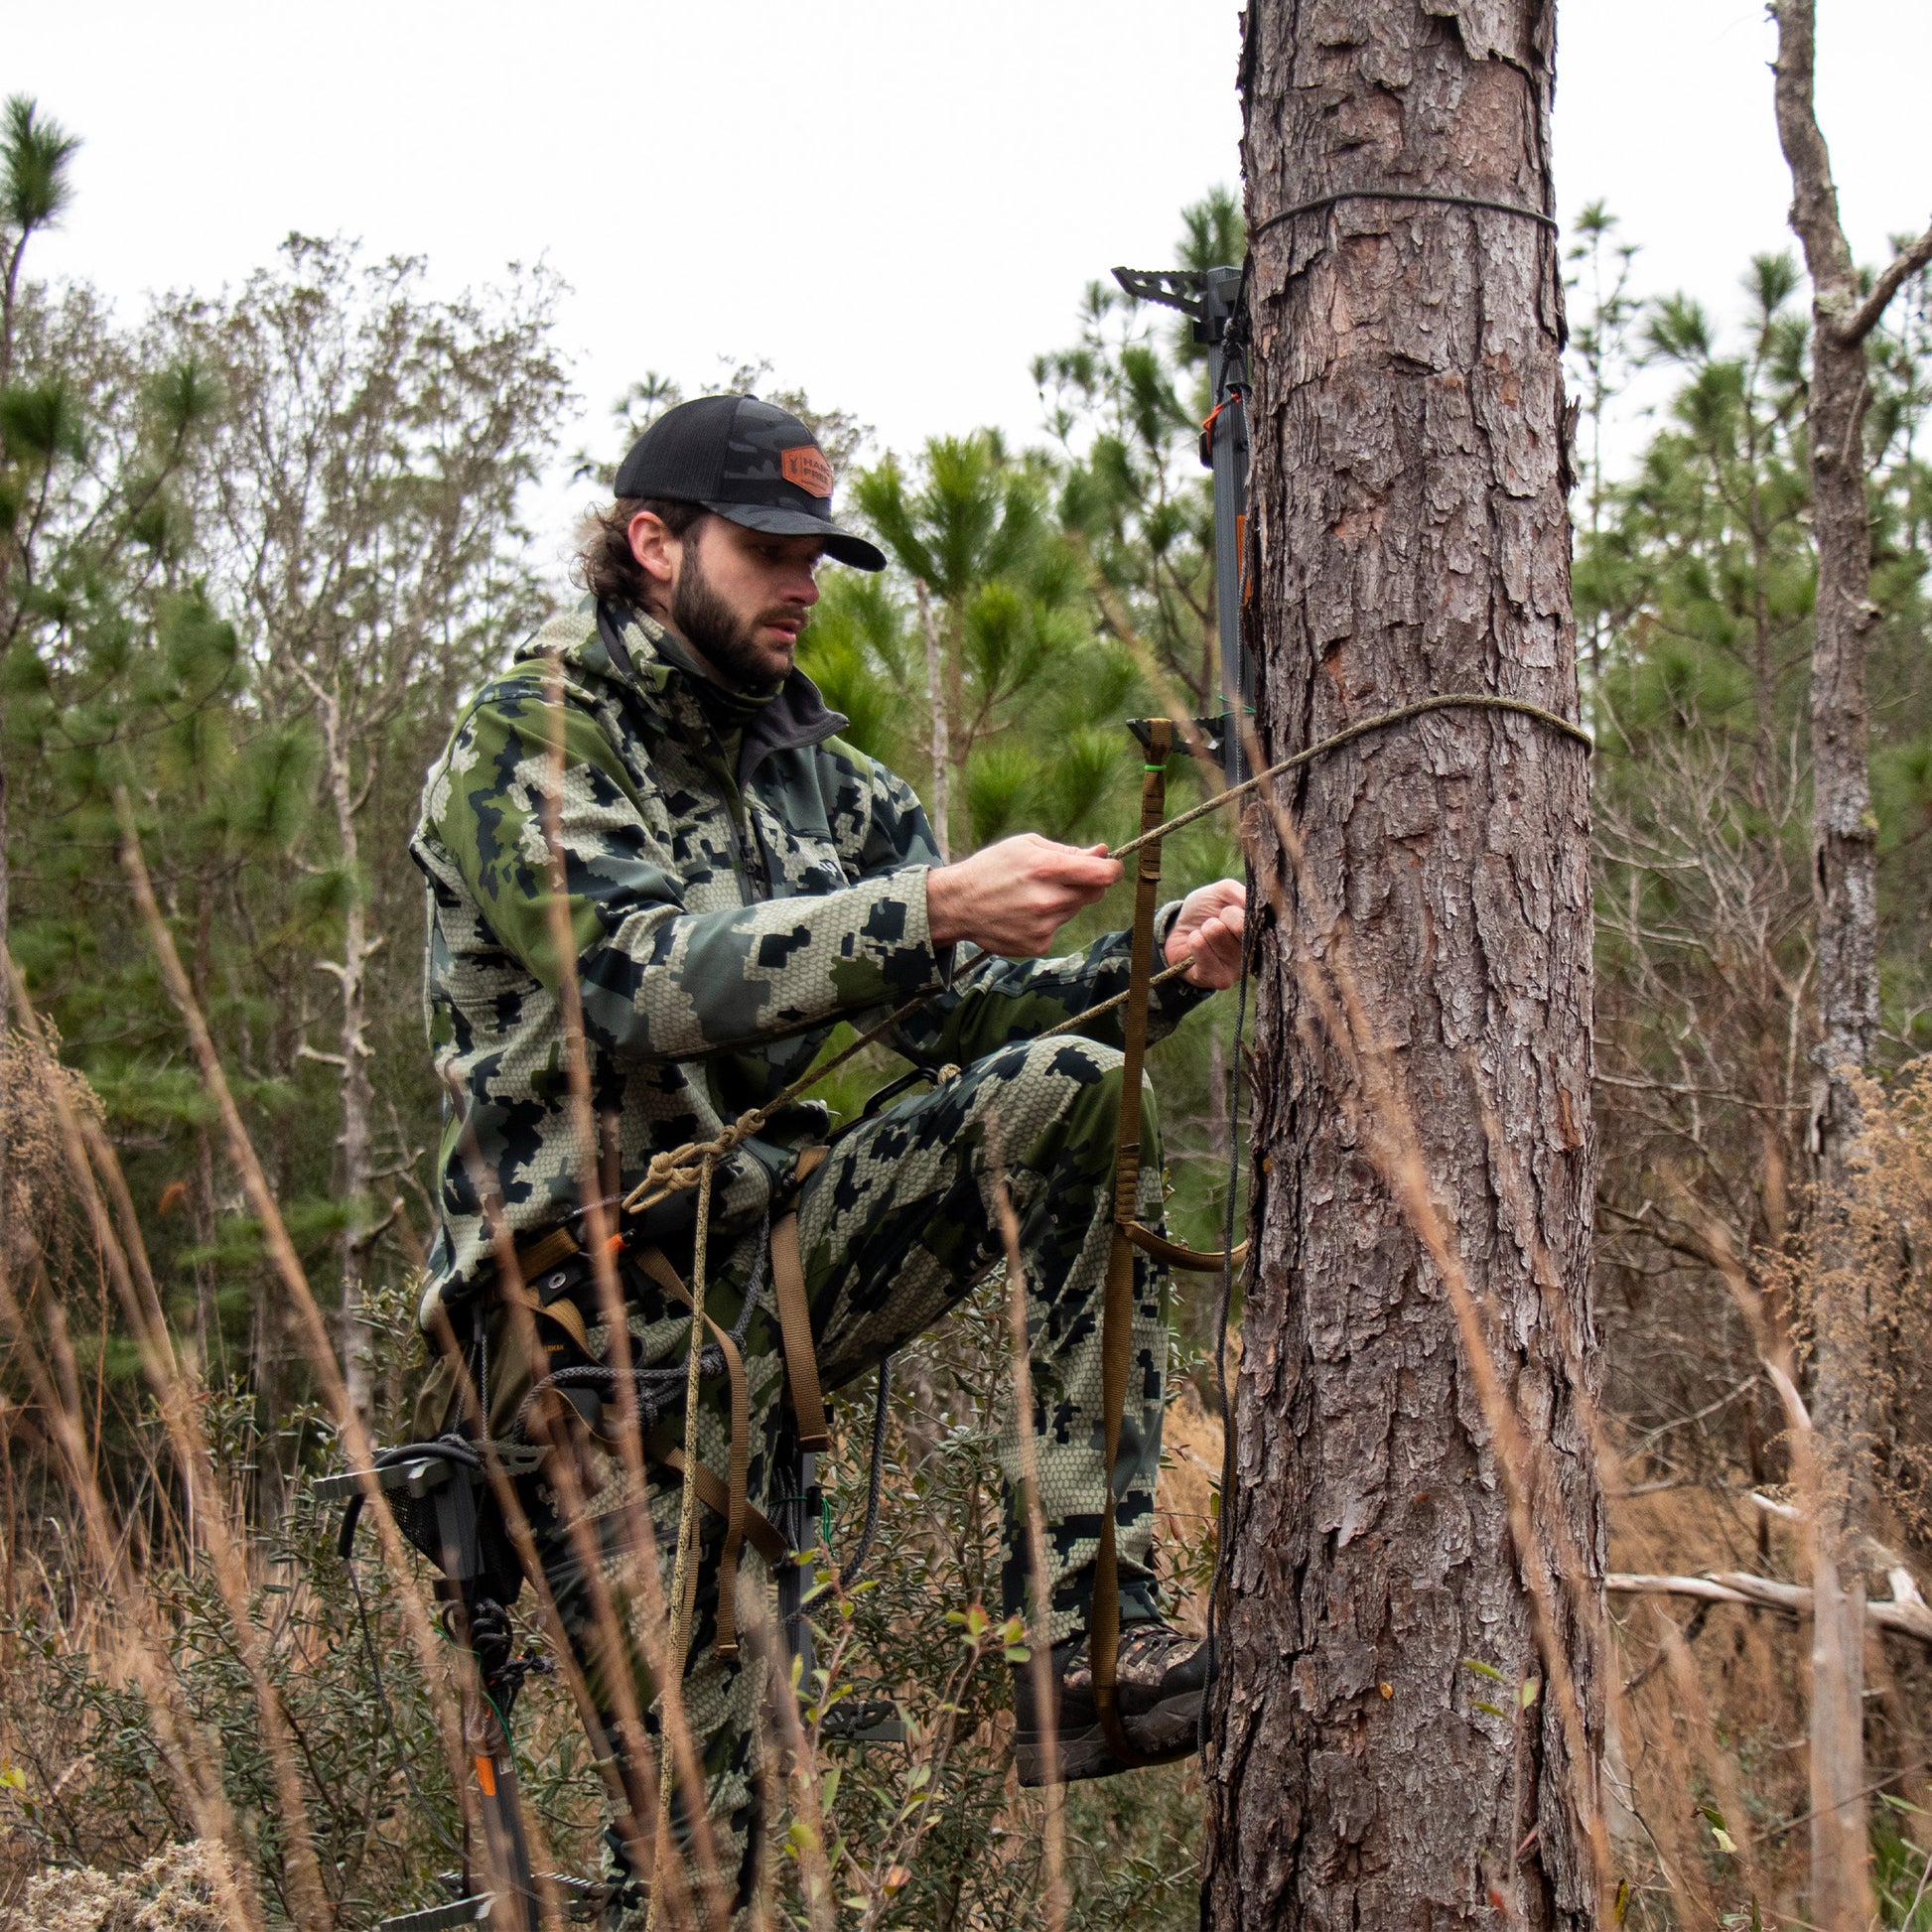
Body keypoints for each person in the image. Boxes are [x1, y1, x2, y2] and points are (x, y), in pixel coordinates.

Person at [409, 393, 1246, 1922]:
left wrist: (1169, 965)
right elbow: (631, 977)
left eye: (819, 552)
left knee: (1066, 1085)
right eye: (770, 547)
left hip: (776, 1267)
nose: (804, 581)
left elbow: (966, 1016)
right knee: (709, 1862)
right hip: (590, 1341)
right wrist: (925, 901)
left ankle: (1085, 1638)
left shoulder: (827, 780)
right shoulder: (525, 735)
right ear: (653, 545)